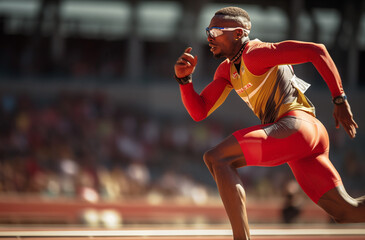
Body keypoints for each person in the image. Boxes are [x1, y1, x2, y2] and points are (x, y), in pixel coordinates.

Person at [174, 6, 364, 240]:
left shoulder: (255, 54)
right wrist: (185, 80)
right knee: (345, 210)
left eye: (215, 30)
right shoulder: (226, 71)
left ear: (239, 33)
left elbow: (317, 51)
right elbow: (199, 111)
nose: (209, 36)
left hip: (297, 126)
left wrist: (339, 98)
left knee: (216, 157)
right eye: (208, 30)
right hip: (303, 140)